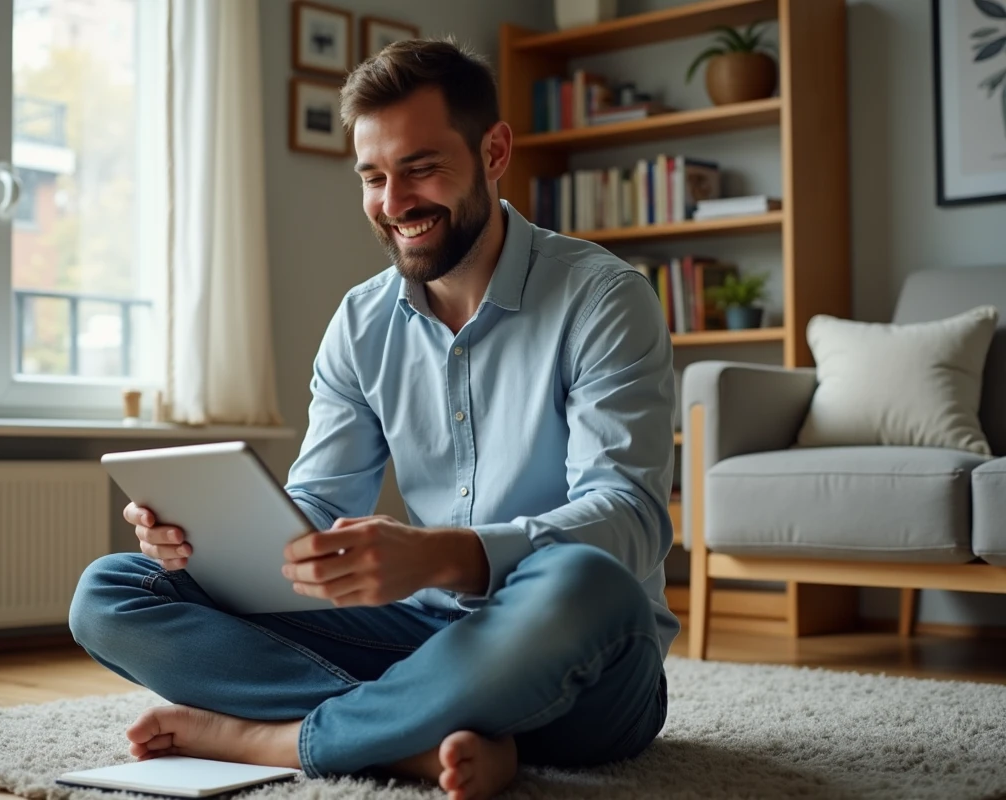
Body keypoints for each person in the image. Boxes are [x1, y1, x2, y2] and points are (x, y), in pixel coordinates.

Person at [69, 38, 678, 800]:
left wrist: (444, 556)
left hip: (582, 654)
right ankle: (413, 736)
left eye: (420, 168)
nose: (394, 204)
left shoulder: (604, 299)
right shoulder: (361, 322)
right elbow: (316, 512)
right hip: (423, 640)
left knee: (584, 579)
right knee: (113, 591)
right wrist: (207, 543)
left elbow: (629, 519)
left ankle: (283, 738)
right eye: (373, 177)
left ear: (493, 152)